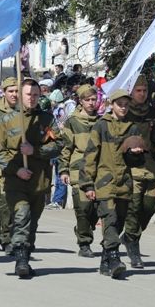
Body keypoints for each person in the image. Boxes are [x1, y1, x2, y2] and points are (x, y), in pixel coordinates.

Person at [0, 78, 62, 278]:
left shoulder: (47, 119)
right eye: (27, 95)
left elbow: (58, 145)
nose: (31, 99)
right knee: (22, 214)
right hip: (16, 181)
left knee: (32, 222)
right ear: (19, 96)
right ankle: (21, 260)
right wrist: (16, 170)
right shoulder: (7, 121)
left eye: (35, 95)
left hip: (39, 181)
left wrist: (35, 151)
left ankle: (26, 251)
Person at [80, 89, 146, 280]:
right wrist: (88, 184)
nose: (123, 108)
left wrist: (136, 153)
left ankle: (105, 262)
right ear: (112, 105)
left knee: (119, 221)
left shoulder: (132, 128)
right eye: (120, 104)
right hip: (104, 182)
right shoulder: (101, 126)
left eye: (126, 104)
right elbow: (90, 156)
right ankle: (115, 258)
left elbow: (138, 162)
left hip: (124, 182)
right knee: (109, 218)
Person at [121, 74, 155, 269]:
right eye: (138, 91)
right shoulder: (123, 113)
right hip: (131, 168)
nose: (142, 94)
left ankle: (131, 235)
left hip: (150, 166)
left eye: (145, 91)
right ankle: (133, 244)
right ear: (131, 92)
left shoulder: (154, 114)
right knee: (134, 207)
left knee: (150, 206)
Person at [59, 84, 101, 258]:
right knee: (83, 208)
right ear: (80, 101)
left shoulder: (101, 121)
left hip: (99, 170)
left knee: (97, 209)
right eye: (88, 100)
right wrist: (64, 170)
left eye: (94, 99)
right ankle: (84, 243)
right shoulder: (73, 122)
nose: (91, 103)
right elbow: (66, 147)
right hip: (79, 170)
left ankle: (84, 227)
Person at [0, 77, 19, 254]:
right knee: (5, 204)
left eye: (17, 91)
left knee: (20, 205)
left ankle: (17, 237)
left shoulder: (25, 111)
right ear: (4, 92)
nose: (14, 94)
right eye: (11, 91)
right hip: (1, 165)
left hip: (21, 164)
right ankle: (6, 237)